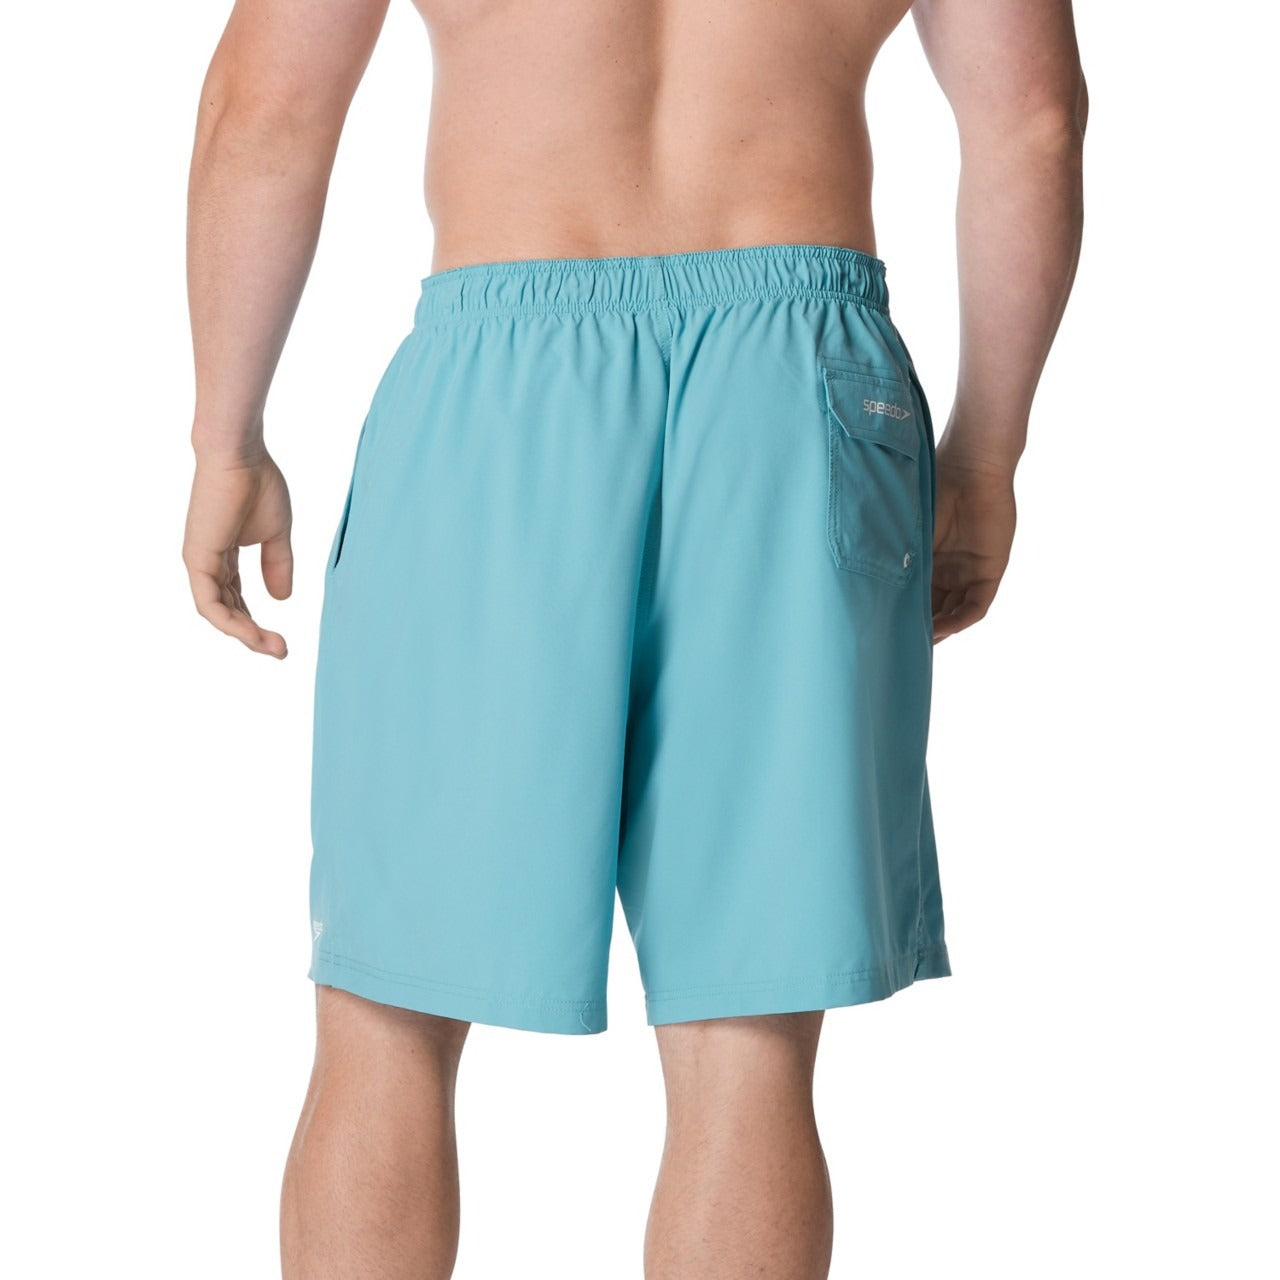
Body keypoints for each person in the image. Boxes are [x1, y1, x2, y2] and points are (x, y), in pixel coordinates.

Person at [182, 0, 1085, 1275]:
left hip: (499, 383)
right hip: (797, 386)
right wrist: (986, 454)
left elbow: (265, 112)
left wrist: (225, 438)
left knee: (388, 1015)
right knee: (746, 1036)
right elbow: (1030, 120)